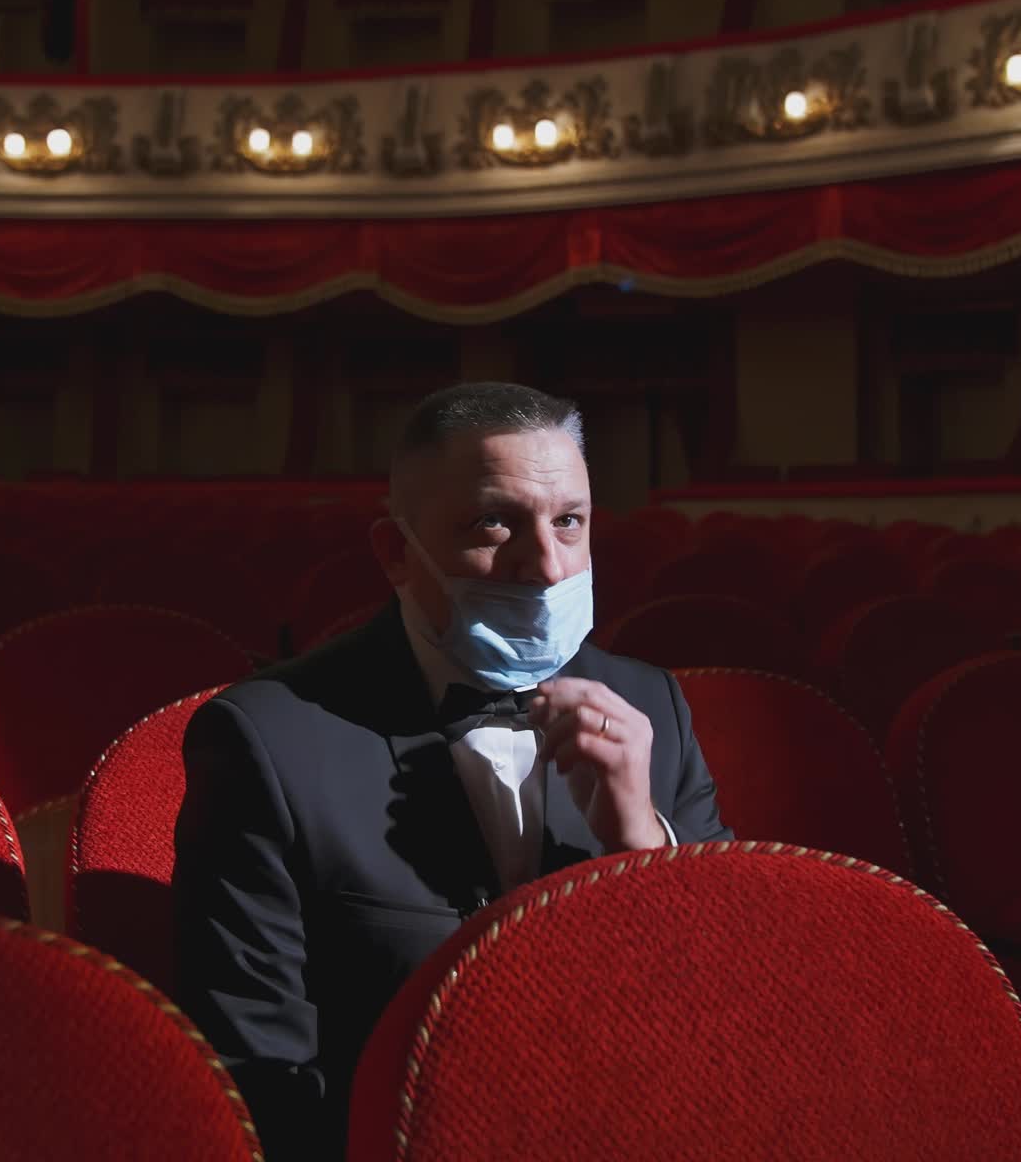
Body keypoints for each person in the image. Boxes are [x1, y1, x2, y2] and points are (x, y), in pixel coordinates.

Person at [172, 382, 731, 1160]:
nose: (545, 566)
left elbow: (724, 1011)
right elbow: (257, 1072)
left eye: (570, 522)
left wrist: (640, 839)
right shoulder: (267, 740)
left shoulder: (650, 705)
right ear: (396, 551)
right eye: (494, 523)